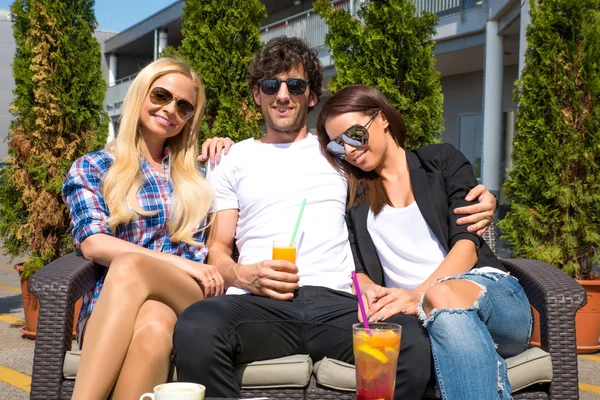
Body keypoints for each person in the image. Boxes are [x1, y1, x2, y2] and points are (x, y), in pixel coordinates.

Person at [173, 37, 497, 399]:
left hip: (340, 303)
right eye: (270, 85)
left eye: (295, 85)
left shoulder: (339, 153)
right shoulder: (231, 158)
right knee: (196, 325)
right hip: (259, 303)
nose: (282, 95)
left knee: (411, 345)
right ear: (256, 94)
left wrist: (485, 198)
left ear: (311, 97)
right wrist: (241, 274)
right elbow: (218, 247)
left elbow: (409, 171)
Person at [316, 84, 533, 399]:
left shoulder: (441, 160)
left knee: (442, 298)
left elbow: (467, 246)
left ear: (382, 119)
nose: (349, 150)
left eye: (354, 135)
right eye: (338, 145)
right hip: (421, 319)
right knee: (444, 320)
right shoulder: (355, 194)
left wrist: (419, 295)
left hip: (490, 296)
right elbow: (357, 267)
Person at [62, 58, 225, 400]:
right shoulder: (93, 167)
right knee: (154, 323)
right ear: (140, 95)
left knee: (132, 265)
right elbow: (92, 244)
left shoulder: (199, 172)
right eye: (162, 95)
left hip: (190, 295)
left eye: (184, 106)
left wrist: (226, 148)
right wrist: (180, 261)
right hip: (114, 307)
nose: (171, 110)